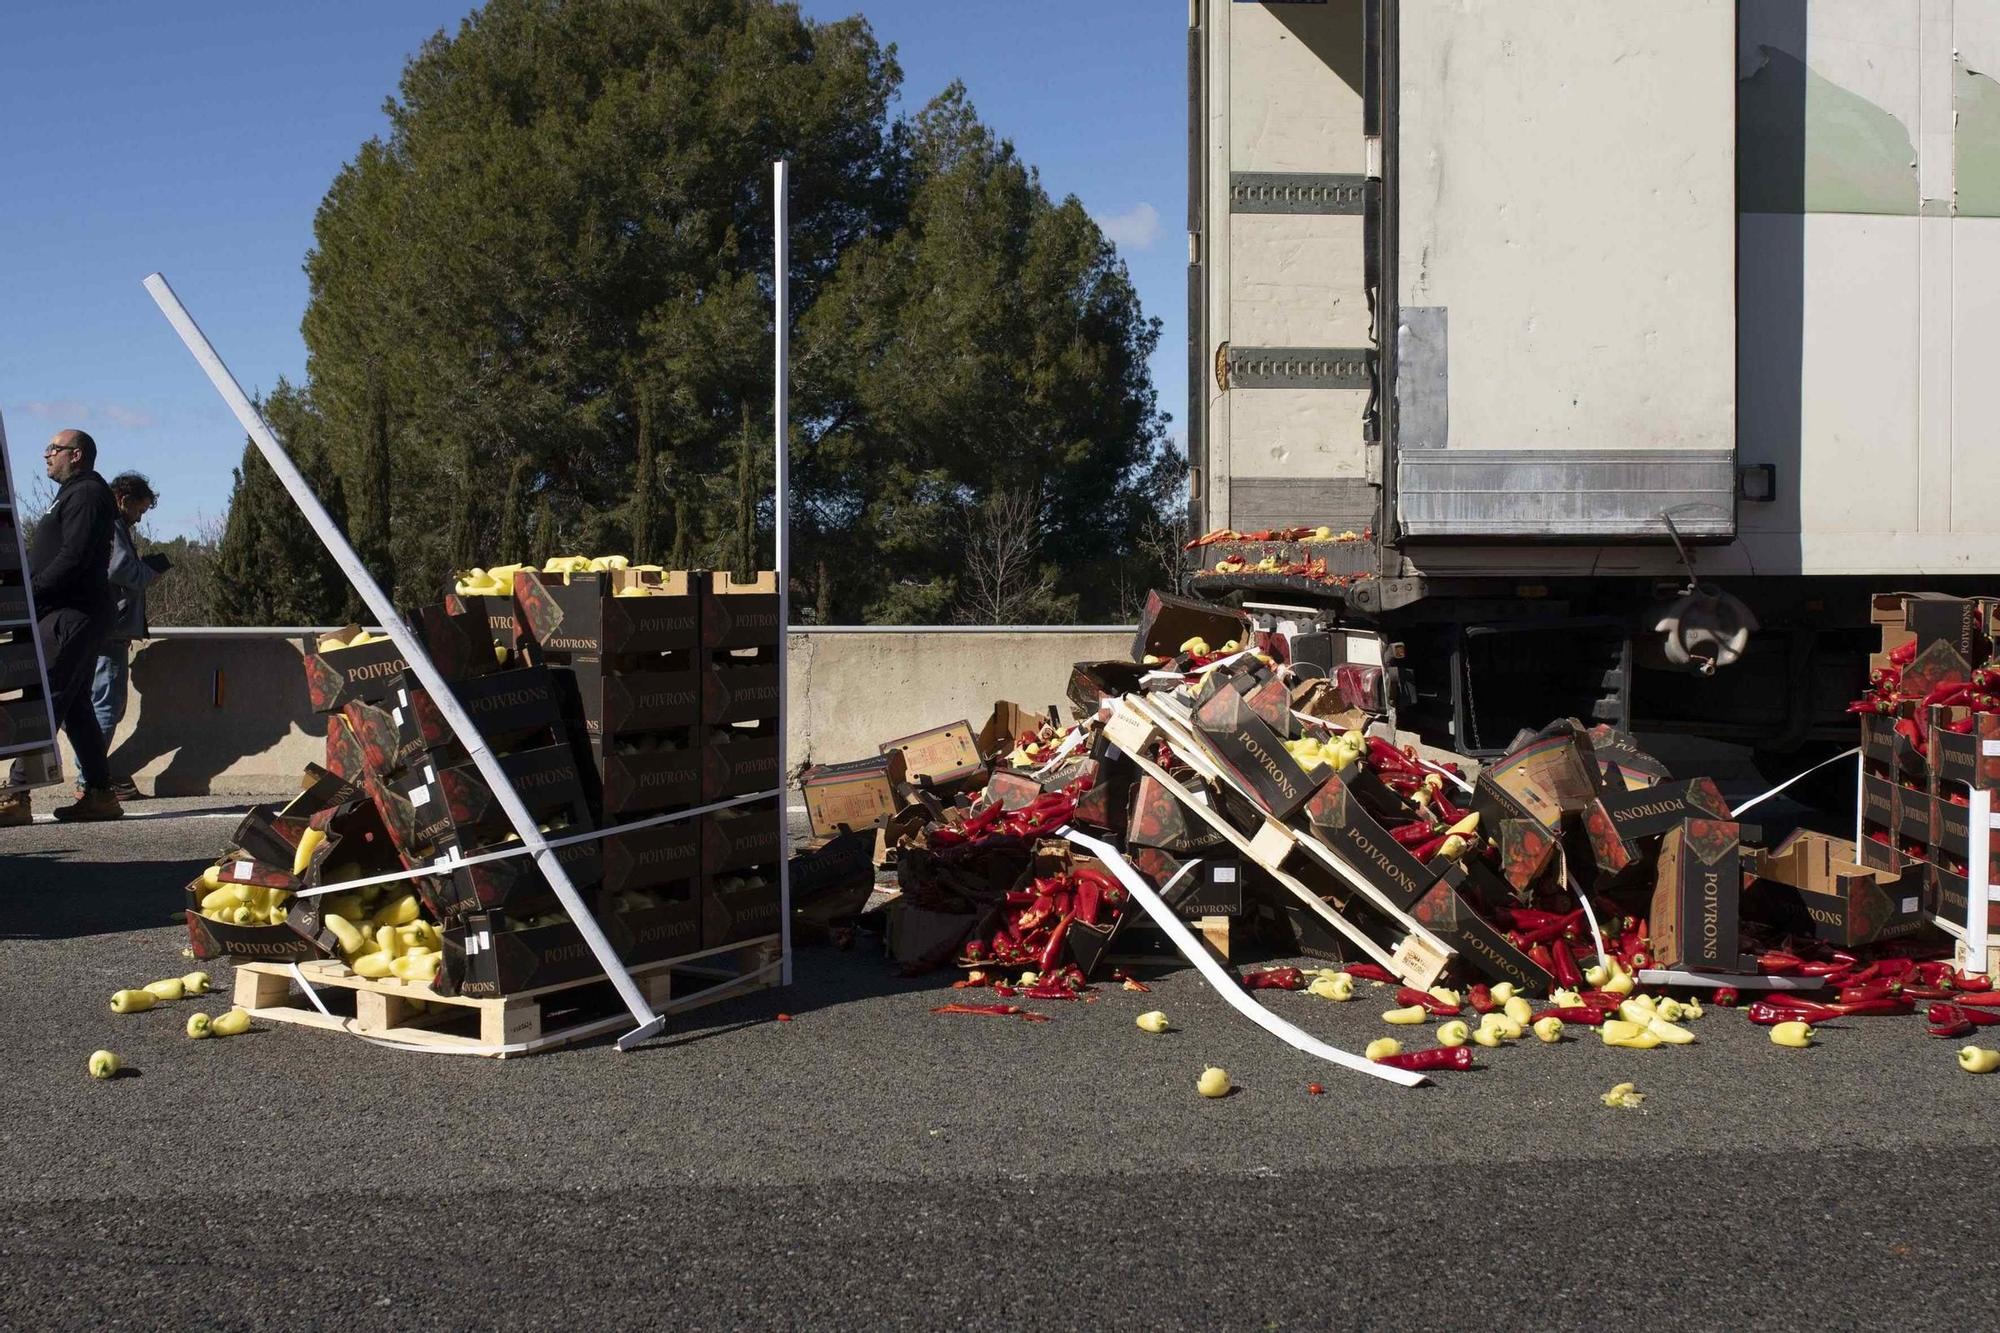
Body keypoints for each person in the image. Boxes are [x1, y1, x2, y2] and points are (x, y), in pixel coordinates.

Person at [0, 429, 122, 825]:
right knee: (76, 705)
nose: (46, 455)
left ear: (77, 454)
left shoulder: (86, 493)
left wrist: (29, 593)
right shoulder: (74, 493)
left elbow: (75, 555)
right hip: (72, 611)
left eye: (53, 449)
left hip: (73, 613)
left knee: (48, 696)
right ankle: (101, 795)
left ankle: (16, 795)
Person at [87, 472, 169, 799]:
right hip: (111, 631)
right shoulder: (113, 525)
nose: (140, 517)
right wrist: (152, 570)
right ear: (124, 499)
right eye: (141, 509)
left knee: (95, 704)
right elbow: (122, 571)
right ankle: (93, 781)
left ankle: (93, 776)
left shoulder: (99, 522)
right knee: (107, 706)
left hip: (100, 628)